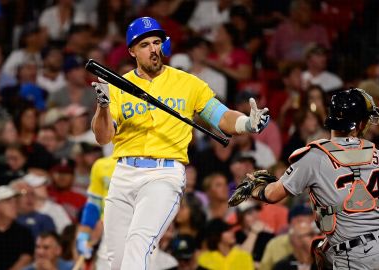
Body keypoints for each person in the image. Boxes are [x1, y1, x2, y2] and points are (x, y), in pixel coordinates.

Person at [91, 16, 270, 269]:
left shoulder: (187, 83)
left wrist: (246, 124)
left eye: (157, 42)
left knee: (138, 243)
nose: (153, 49)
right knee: (117, 259)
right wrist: (102, 107)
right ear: (132, 51)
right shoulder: (118, 86)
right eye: (144, 45)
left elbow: (219, 116)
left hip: (163, 174)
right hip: (123, 173)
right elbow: (103, 136)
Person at [243, 88, 379, 269]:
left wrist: (254, 187)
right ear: (359, 124)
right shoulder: (377, 154)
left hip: (354, 256)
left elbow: (272, 194)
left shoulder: (315, 156)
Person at [0, 185, 34, 270]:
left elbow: (26, 259)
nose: (14, 205)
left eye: (15, 201)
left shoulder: (24, 233)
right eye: (8, 201)